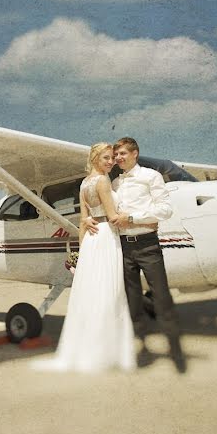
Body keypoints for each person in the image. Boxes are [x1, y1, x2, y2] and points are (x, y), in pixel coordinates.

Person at [32, 143, 136, 373]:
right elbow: (112, 217)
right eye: (106, 158)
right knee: (109, 290)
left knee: (93, 292)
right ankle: (107, 352)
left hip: (91, 240)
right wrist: (138, 219)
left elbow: (83, 221)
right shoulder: (102, 181)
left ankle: (90, 349)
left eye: (112, 158)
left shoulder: (84, 183)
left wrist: (82, 251)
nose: (111, 162)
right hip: (106, 236)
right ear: (96, 158)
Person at [85, 137, 186, 373]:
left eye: (122, 154)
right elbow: (104, 209)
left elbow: (165, 209)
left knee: (161, 297)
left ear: (135, 154)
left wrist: (132, 218)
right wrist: (90, 218)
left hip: (147, 245)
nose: (118, 158)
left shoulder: (151, 177)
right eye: (115, 155)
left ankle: (176, 350)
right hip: (122, 246)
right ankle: (142, 348)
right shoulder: (114, 183)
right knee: (132, 301)